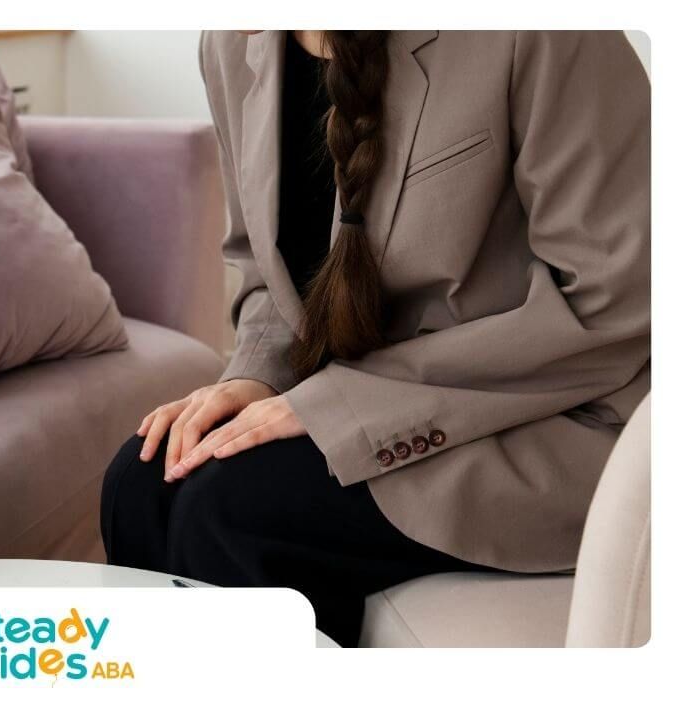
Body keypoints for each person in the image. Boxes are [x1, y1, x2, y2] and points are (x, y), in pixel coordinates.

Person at [101, 30, 650, 647]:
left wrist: (339, 405)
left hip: (545, 416)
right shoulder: (232, 44)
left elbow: (619, 300)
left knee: (230, 510)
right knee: (138, 482)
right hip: (352, 398)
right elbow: (265, 269)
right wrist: (257, 377)